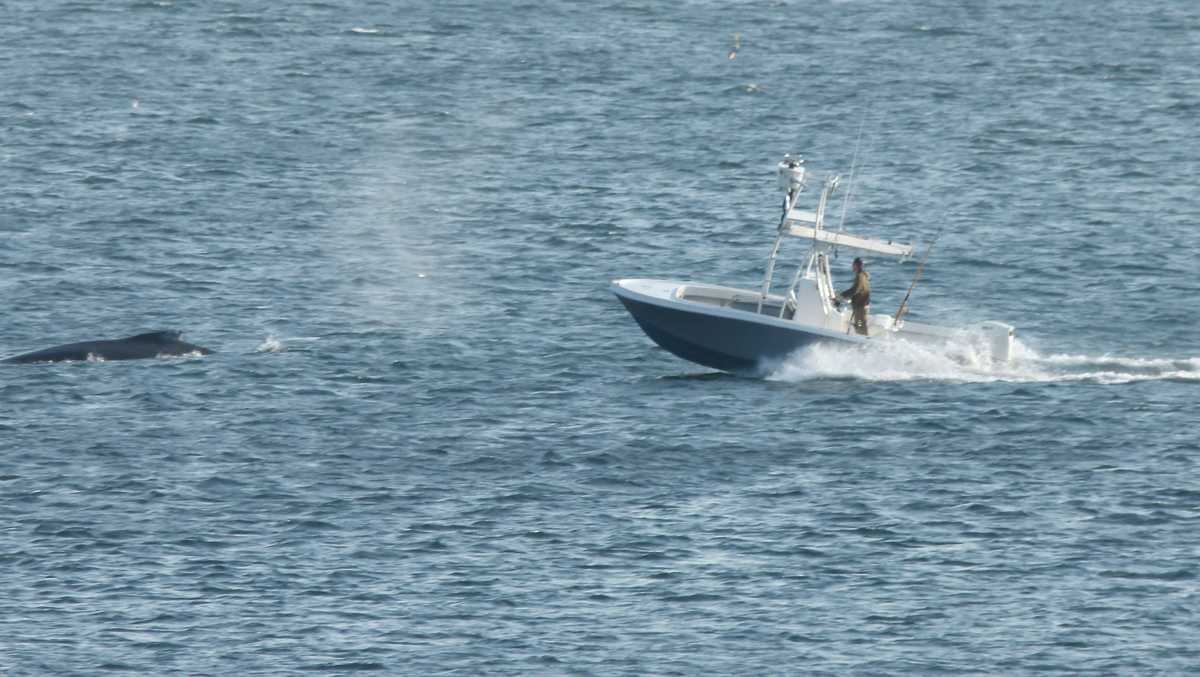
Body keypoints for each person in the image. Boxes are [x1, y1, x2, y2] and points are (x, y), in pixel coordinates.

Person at [836, 257, 871, 336]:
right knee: (859, 326)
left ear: (856, 265)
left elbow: (854, 290)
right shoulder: (864, 275)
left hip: (861, 308)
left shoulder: (860, 277)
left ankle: (865, 344)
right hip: (861, 306)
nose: (852, 266)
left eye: (853, 265)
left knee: (860, 327)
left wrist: (840, 296)